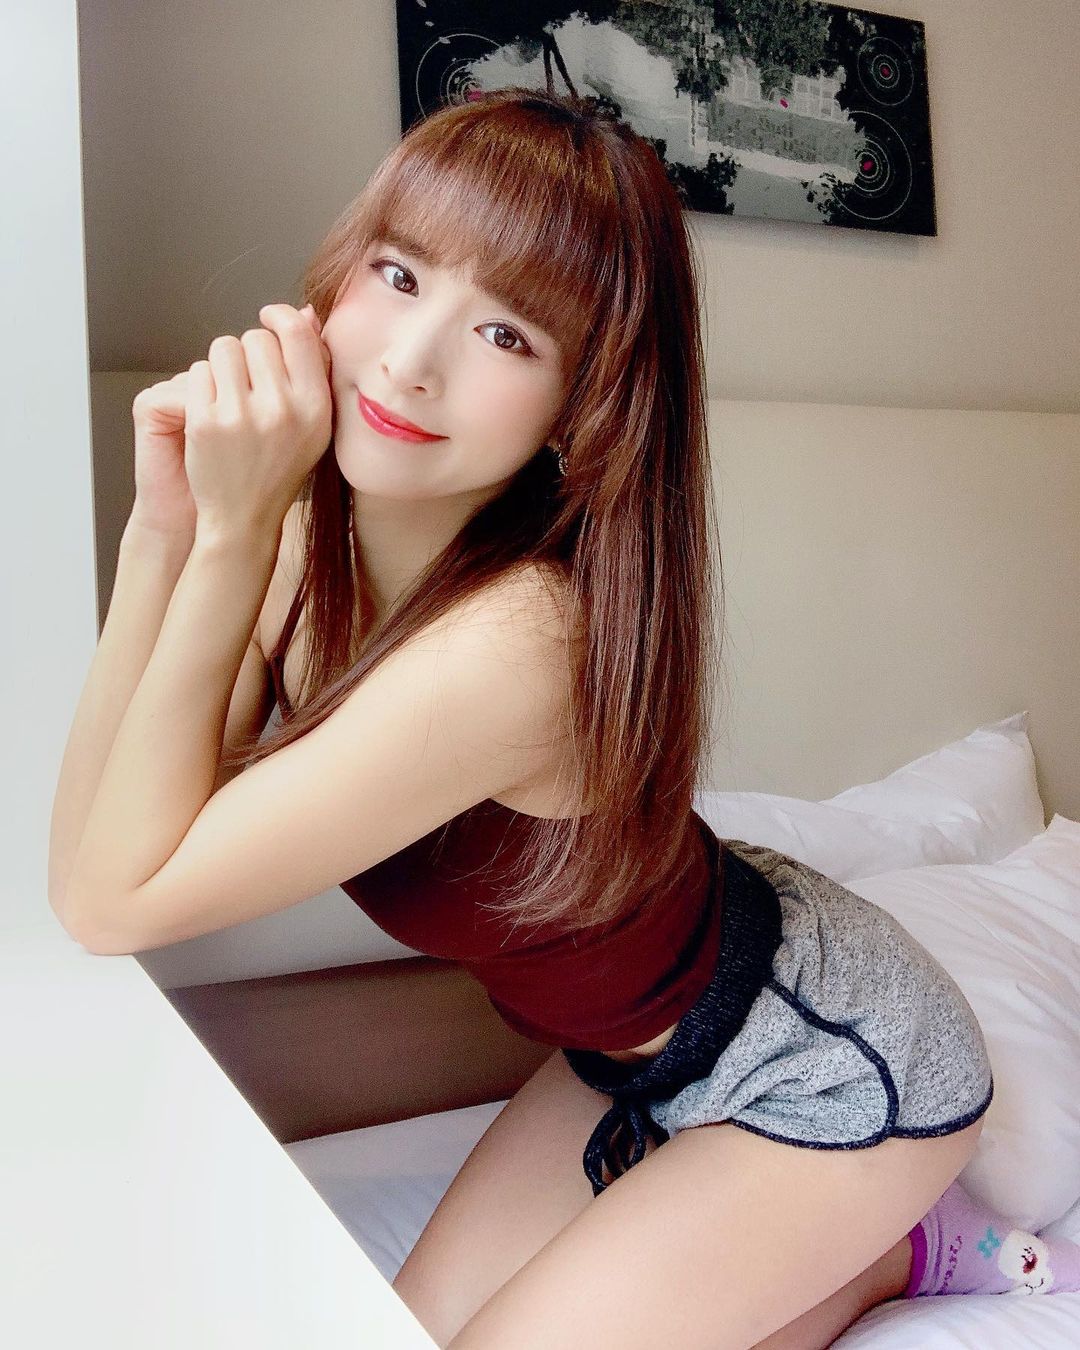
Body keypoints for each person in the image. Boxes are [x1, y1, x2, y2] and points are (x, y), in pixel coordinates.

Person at [51, 87, 1079, 1349]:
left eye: (508, 335)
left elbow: (114, 901)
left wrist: (228, 531)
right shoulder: (303, 541)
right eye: (398, 273)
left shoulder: (519, 644)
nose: (411, 360)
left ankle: (906, 1246)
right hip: (634, 1039)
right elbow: (95, 856)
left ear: (581, 405)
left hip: (828, 1056)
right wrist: (168, 528)